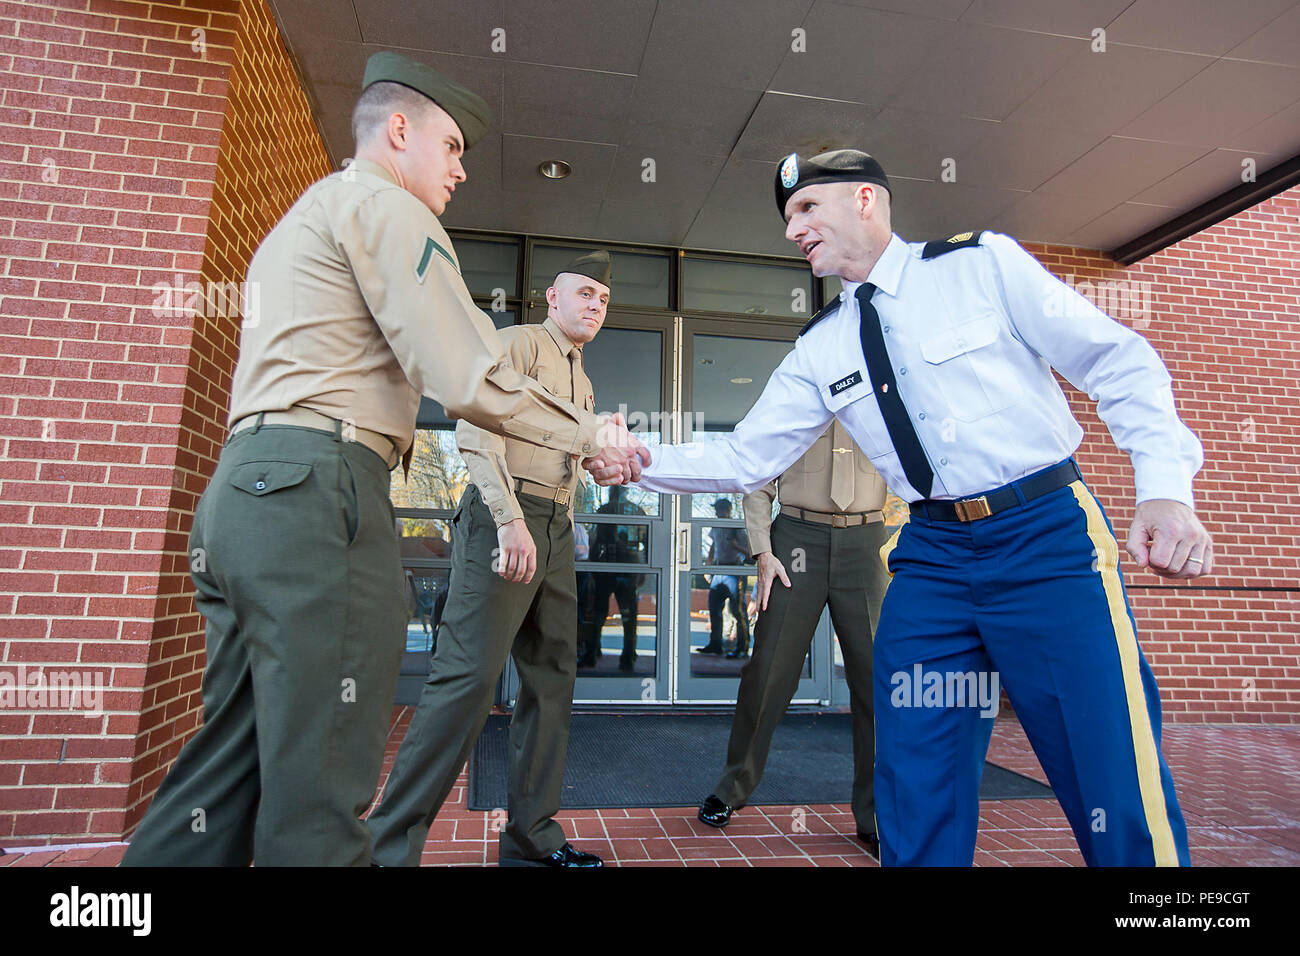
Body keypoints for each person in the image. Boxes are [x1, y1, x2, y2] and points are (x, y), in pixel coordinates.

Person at [120, 55, 645, 868]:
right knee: (324, 788)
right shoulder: (389, 209)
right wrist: (594, 435)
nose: (462, 169)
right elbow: (469, 371)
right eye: (452, 146)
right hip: (318, 494)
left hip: (247, 491)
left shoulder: (309, 212)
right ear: (399, 131)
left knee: (223, 774)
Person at [618, 148, 1212, 866]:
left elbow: (1117, 361)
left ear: (866, 200)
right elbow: (747, 458)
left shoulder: (980, 265)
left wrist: (1165, 489)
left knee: (1109, 766)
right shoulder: (822, 348)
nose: (791, 229)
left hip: (1046, 537)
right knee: (915, 778)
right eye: (787, 216)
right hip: (932, 560)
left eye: (806, 208)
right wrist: (638, 461)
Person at [366, 250, 615, 868]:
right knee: (468, 679)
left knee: (553, 678)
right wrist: (510, 521)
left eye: (603, 300)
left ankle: (532, 838)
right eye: (584, 293)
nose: (595, 306)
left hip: (553, 527)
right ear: (553, 299)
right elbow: (476, 429)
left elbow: (564, 450)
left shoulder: (583, 380)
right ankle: (385, 849)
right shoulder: (518, 344)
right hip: (504, 521)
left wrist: (588, 485)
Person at [697, 421, 888, 859]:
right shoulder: (797, 401)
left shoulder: (881, 400)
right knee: (769, 672)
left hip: (867, 541)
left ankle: (876, 815)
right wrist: (763, 551)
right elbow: (760, 479)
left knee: (877, 680)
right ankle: (731, 787)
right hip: (796, 540)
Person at [579, 485, 647, 671]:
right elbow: (647, 543)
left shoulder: (605, 510)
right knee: (628, 617)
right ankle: (627, 657)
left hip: (607, 568)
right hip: (626, 569)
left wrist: (593, 566)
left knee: (598, 613)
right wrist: (644, 570)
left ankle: (592, 654)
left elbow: (596, 540)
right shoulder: (637, 511)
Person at [701, 498, 751, 656]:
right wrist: (708, 565)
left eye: (720, 509)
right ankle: (715, 644)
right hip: (719, 568)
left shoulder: (736, 528)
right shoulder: (715, 526)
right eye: (717, 509)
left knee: (738, 610)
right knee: (714, 607)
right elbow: (714, 545)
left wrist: (735, 546)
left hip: (734, 569)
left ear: (727, 510)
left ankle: (742, 647)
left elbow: (750, 553)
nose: (717, 512)